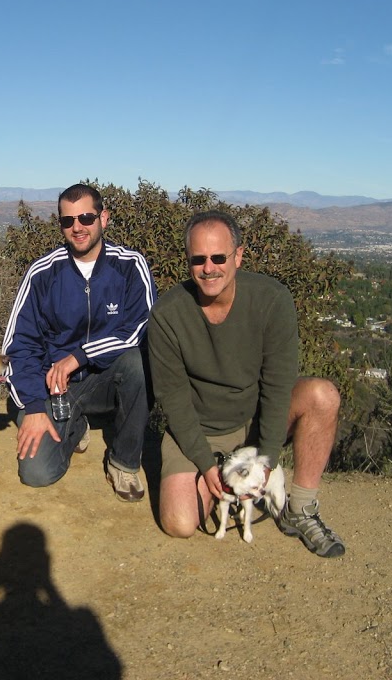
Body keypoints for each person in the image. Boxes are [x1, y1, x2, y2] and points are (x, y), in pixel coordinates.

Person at [147, 209, 345, 557]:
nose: (209, 268)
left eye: (219, 257)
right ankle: (226, 483)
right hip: (202, 428)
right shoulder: (167, 315)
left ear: (238, 256)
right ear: (188, 261)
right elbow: (173, 399)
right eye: (198, 259)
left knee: (322, 395)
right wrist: (206, 464)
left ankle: (300, 508)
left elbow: (278, 387)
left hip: (255, 419)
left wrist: (266, 458)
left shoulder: (271, 300)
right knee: (180, 522)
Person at [2, 184, 157, 501]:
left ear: (104, 218)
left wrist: (80, 355)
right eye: (67, 220)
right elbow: (19, 346)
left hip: (107, 380)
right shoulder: (43, 273)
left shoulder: (129, 265)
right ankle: (75, 425)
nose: (77, 227)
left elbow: (141, 328)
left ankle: (123, 463)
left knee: (138, 362)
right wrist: (33, 406)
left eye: (86, 218)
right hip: (56, 388)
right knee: (37, 473)